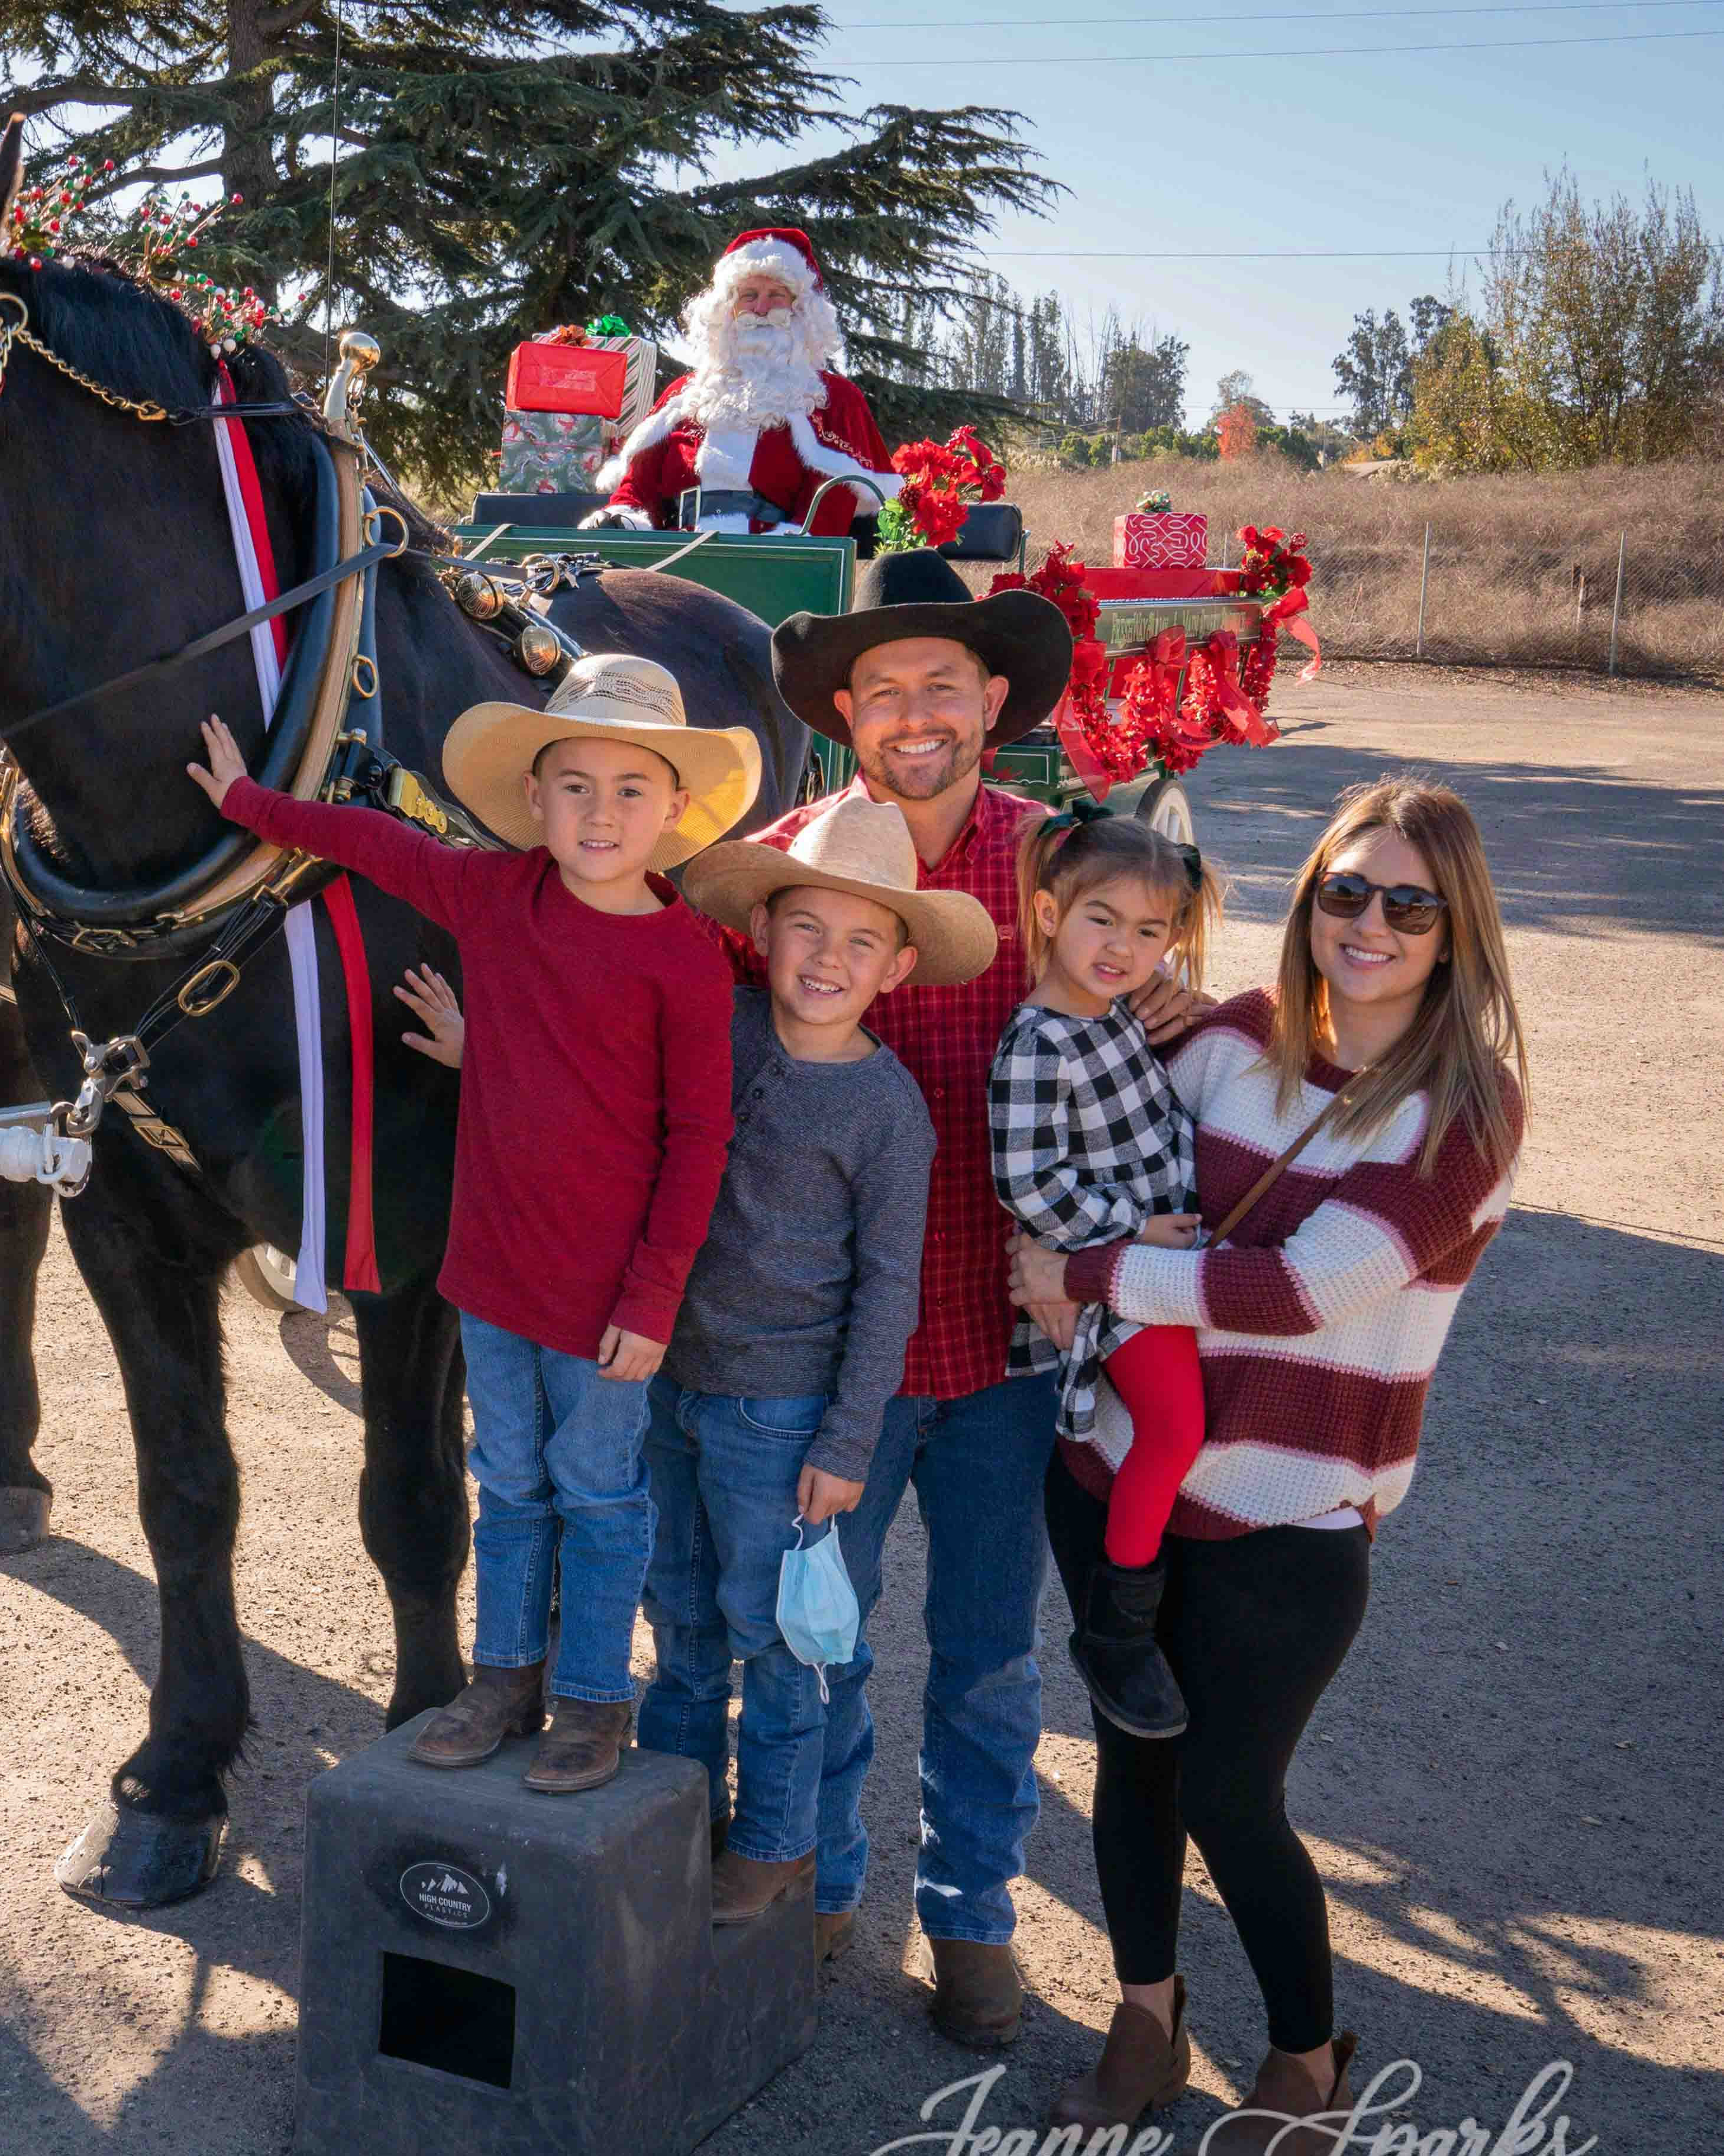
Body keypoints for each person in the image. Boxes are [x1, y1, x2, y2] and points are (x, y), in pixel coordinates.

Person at [1018, 778, 1526, 2156]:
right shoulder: (1225, 1035)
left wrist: (1094, 1276)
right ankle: (1144, 2012)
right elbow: (1092, 1140)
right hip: (1116, 1464)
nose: (1368, 922)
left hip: (1294, 1509)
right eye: (1344, 890)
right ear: (1307, 901)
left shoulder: (1463, 1114)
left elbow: (1302, 1292)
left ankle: (1304, 2061)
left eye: (1406, 901)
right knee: (1131, 1762)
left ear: (1453, 928)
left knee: (1232, 1791)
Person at [742, 550, 1206, 2047]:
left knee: (989, 1654)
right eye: (883, 690)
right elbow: (661, 1004)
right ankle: (815, 1878)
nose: (914, 713)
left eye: (942, 682)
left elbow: (1162, 985)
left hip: (1009, 1344)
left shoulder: (1054, 866)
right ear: (848, 713)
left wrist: (1219, 1011)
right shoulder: (795, 865)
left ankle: (973, 1915)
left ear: (993, 699)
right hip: (837, 1352)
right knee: (815, 1633)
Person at [183, 655, 752, 1793]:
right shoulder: (492, 896)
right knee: (508, 1484)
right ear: (532, 801)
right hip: (490, 1279)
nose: (600, 812)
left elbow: (695, 1143)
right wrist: (247, 805)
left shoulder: (684, 962)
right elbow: (374, 844)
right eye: (574, 786)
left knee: (598, 1496)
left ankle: (593, 1698)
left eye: (629, 789)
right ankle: (501, 1677)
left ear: (674, 810)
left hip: (604, 1305)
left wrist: (651, 1301)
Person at [646, 794, 979, 1922]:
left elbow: (888, 1288)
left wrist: (846, 1442)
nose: (824, 958)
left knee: (781, 1642)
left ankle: (775, 1839)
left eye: (857, 940)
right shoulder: (721, 1026)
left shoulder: (886, 1112)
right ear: (762, 930)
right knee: (681, 1620)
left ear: (893, 968)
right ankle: (671, 1815)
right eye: (804, 927)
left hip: (781, 1418)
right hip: (670, 1385)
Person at [990, 806, 1222, 1742]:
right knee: (1172, 1426)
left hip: (1162, 1256)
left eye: (1147, 930)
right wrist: (1133, 1234)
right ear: (1047, 915)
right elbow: (1026, 1182)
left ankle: (1163, 1588)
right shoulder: (1038, 1042)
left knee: (1194, 1422)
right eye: (1100, 921)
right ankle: (1115, 1626)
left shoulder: (1115, 1015)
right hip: (1120, 1271)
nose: (1121, 947)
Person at [594, 227, 905, 537]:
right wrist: (624, 517)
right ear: (728, 308)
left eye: (776, 296)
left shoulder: (835, 398)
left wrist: (793, 545)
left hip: (776, 561)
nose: (760, 309)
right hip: (676, 556)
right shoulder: (684, 393)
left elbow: (832, 498)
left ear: (801, 309)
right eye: (749, 296)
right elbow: (638, 483)